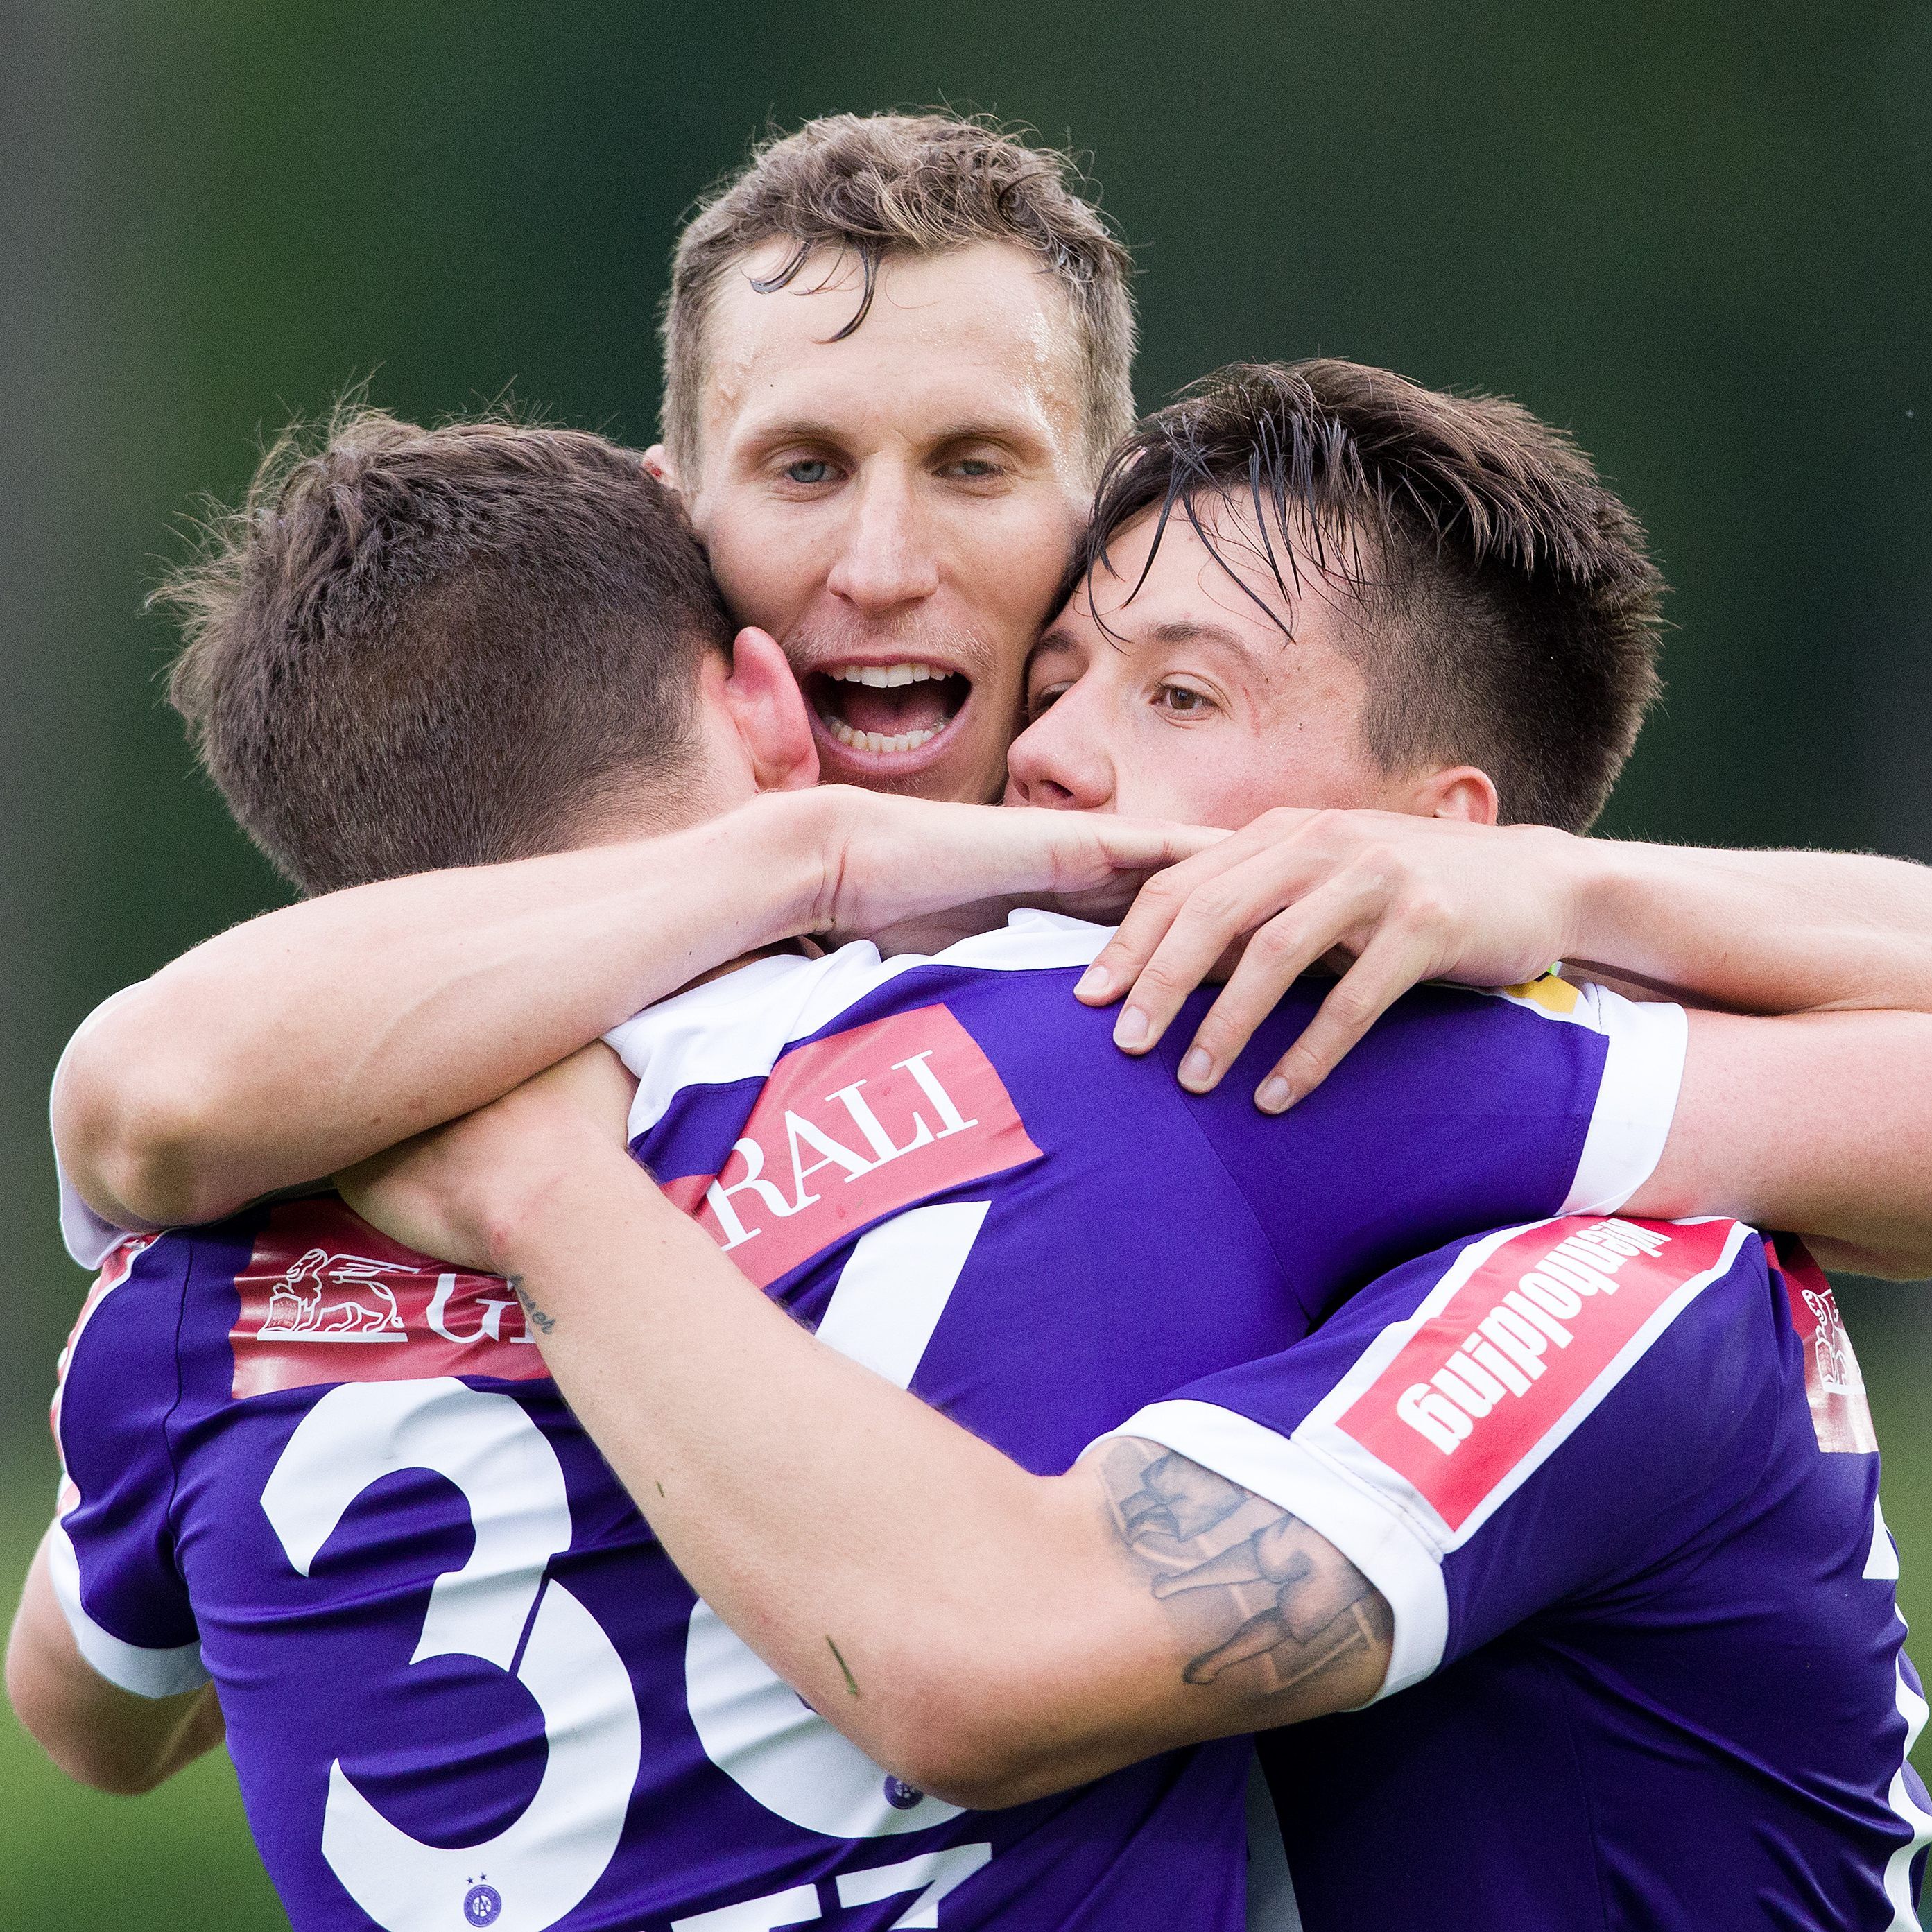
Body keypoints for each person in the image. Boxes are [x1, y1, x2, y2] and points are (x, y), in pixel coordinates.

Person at [11, 392, 1929, 1928]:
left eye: (1171, 693)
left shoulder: (192, 1282)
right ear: (764, 692)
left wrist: (1561, 889)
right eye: (1069, 672)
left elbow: (87, 1713)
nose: (1049, 755)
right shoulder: (1156, 1060)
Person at [46, 119, 1932, 1240]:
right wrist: (818, 866)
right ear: (667, 506)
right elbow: (146, 1101)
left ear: (1091, 505)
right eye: (802, 469)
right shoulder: (490, 983)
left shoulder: (1256, 940)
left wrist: (1548, 882)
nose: (881, 564)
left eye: (969, 465)